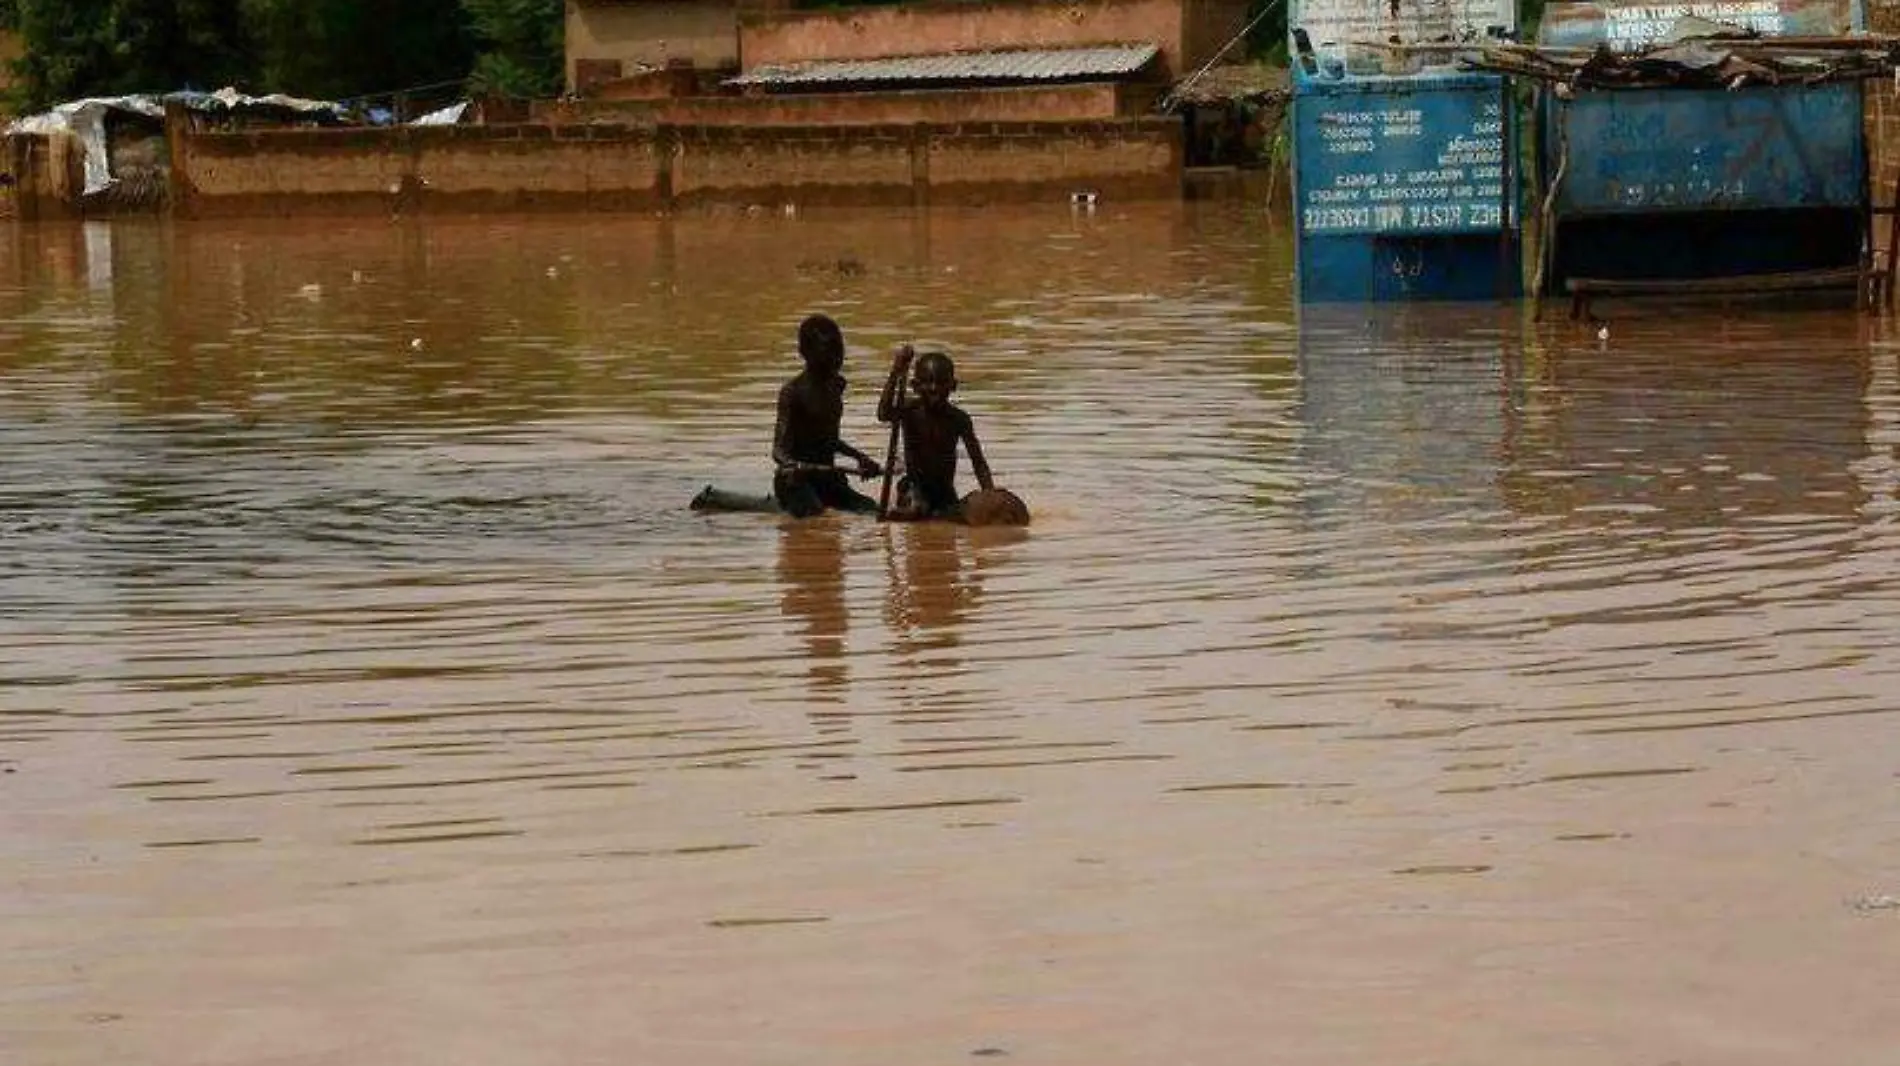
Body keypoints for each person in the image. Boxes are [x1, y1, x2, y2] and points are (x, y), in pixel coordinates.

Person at [772, 314, 883, 518]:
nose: (835, 359)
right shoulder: (793, 392)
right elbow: (778, 450)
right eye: (827, 353)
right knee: (819, 521)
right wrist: (793, 466)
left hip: (828, 477)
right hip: (797, 482)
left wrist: (860, 458)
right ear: (804, 353)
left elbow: (827, 439)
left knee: (871, 510)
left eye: (838, 351)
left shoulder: (837, 386)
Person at [877, 345, 994, 522]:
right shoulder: (910, 410)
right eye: (928, 382)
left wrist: (990, 496)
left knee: (966, 517)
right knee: (917, 510)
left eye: (941, 383)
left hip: (945, 491)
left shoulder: (958, 419)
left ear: (953, 386)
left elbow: (978, 462)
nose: (934, 389)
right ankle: (902, 513)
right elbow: (883, 414)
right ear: (915, 386)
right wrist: (895, 372)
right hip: (914, 488)